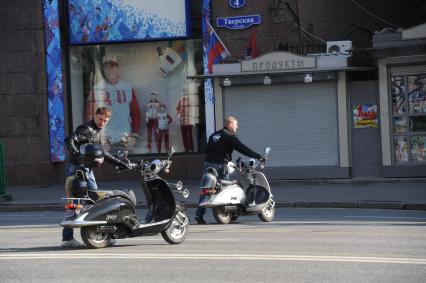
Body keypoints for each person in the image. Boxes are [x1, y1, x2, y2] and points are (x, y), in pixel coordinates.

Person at [61, 107, 132, 248]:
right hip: (76, 170)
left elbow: (103, 154)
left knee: (97, 201)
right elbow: (70, 140)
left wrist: (120, 163)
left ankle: (104, 234)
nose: (102, 123)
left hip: (86, 170)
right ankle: (67, 239)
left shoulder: (98, 132)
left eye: (105, 121)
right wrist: (78, 155)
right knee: (76, 203)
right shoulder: (86, 129)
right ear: (95, 115)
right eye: (100, 119)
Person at [194, 116, 266, 224]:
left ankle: (199, 215)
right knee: (224, 189)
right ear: (231, 125)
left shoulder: (214, 135)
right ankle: (227, 211)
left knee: (207, 189)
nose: (237, 127)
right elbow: (242, 148)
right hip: (220, 165)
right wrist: (258, 156)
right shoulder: (230, 136)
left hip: (208, 164)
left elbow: (207, 149)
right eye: (236, 125)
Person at [84, 54, 141, 151]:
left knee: (127, 165)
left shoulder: (127, 87)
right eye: (106, 67)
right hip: (105, 141)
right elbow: (89, 116)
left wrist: (134, 136)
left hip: (126, 139)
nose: (109, 69)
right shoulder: (97, 88)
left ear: (117, 68)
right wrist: (97, 138)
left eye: (112, 66)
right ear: (103, 69)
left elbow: (136, 113)